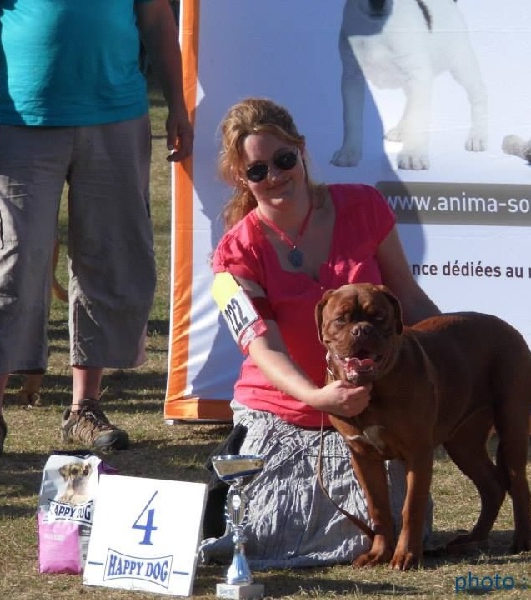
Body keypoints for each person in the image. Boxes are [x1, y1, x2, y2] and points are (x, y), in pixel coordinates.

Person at [198, 98, 441, 568]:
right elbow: (260, 344)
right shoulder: (234, 253)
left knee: (396, 528)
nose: (274, 176)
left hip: (377, 404)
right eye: (257, 170)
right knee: (266, 533)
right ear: (241, 178)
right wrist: (317, 397)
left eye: (284, 160)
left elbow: (409, 299)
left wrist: (450, 358)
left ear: (302, 150)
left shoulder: (364, 205)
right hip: (286, 408)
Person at [0, 0, 193, 459]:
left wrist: (177, 104)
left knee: (108, 257)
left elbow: (158, 19)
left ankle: (85, 407)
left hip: (118, 116)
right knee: (17, 260)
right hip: (23, 119)